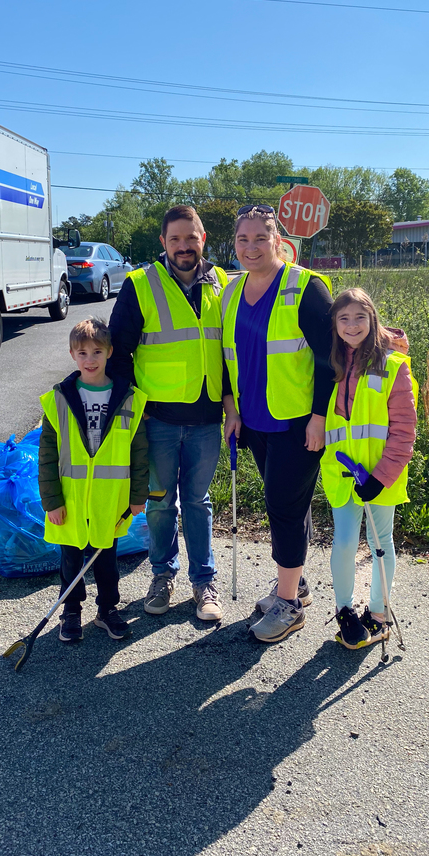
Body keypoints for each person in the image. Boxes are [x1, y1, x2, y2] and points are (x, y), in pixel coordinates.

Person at [108, 205, 237, 622]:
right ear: (163, 243)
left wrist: (231, 405)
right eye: (176, 239)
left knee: (197, 502)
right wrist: (133, 409)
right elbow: (117, 353)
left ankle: (204, 582)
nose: (185, 246)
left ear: (204, 239)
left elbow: (231, 351)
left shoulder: (222, 284)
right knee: (161, 503)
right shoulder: (139, 285)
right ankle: (162, 575)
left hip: (205, 418)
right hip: (157, 420)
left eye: (192, 237)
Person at [221, 205, 334, 643]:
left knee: (283, 507)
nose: (251, 248)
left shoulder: (306, 287)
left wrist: (319, 418)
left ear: (278, 241)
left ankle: (288, 606)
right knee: (292, 504)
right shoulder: (231, 292)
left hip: (297, 423)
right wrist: (232, 409)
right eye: (243, 240)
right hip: (255, 421)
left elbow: (330, 359)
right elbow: (228, 358)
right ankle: (296, 585)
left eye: (260, 238)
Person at [38, 317, 149, 643]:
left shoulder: (128, 398)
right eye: (82, 352)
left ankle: (107, 610)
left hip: (109, 500)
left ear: (109, 352)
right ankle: (70, 612)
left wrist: (137, 496)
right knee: (71, 560)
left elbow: (139, 453)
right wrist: (52, 501)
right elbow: (47, 456)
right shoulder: (58, 399)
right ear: (73, 354)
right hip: (70, 501)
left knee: (106, 559)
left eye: (97, 352)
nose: (90, 359)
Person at [319, 288, 417, 649]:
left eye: (360, 317)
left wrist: (381, 477)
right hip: (341, 473)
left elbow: (404, 430)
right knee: (343, 543)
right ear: (334, 324)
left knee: (380, 543)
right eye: (343, 318)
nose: (352, 325)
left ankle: (378, 614)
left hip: (381, 475)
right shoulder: (328, 365)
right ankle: (344, 610)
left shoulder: (394, 366)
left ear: (373, 319)